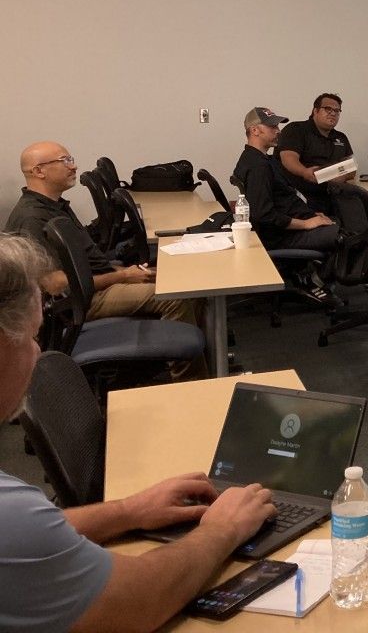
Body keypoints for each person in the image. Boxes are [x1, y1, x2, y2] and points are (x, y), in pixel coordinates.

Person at [0, 233, 278, 632]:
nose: (37, 353)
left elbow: (22, 545)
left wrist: (126, 511)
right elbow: (140, 600)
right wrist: (224, 528)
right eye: (30, 337)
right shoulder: (10, 514)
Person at [5, 141, 203, 330]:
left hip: (95, 286)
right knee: (175, 296)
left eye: (71, 159)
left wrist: (124, 272)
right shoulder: (32, 218)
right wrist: (122, 276)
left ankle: (206, 354)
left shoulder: (53, 205)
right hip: (82, 301)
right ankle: (185, 365)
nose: (73, 167)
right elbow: (55, 285)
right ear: (39, 171)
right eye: (64, 161)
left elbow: (85, 265)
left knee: (184, 282)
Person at [232, 108, 339, 254]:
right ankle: (321, 277)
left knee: (351, 228)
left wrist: (311, 214)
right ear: (255, 130)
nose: (278, 131)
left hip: (291, 224)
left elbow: (282, 199)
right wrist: (306, 223)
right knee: (353, 238)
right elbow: (264, 215)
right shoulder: (258, 166)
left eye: (277, 126)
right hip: (282, 236)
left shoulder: (259, 159)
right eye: (272, 127)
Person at [277, 92, 356, 212]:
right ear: (315, 111)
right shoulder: (296, 130)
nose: (333, 113)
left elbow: (351, 167)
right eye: (328, 109)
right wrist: (304, 172)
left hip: (334, 196)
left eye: (337, 110)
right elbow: (288, 159)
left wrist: (341, 176)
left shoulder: (341, 137)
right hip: (300, 198)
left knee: (363, 213)